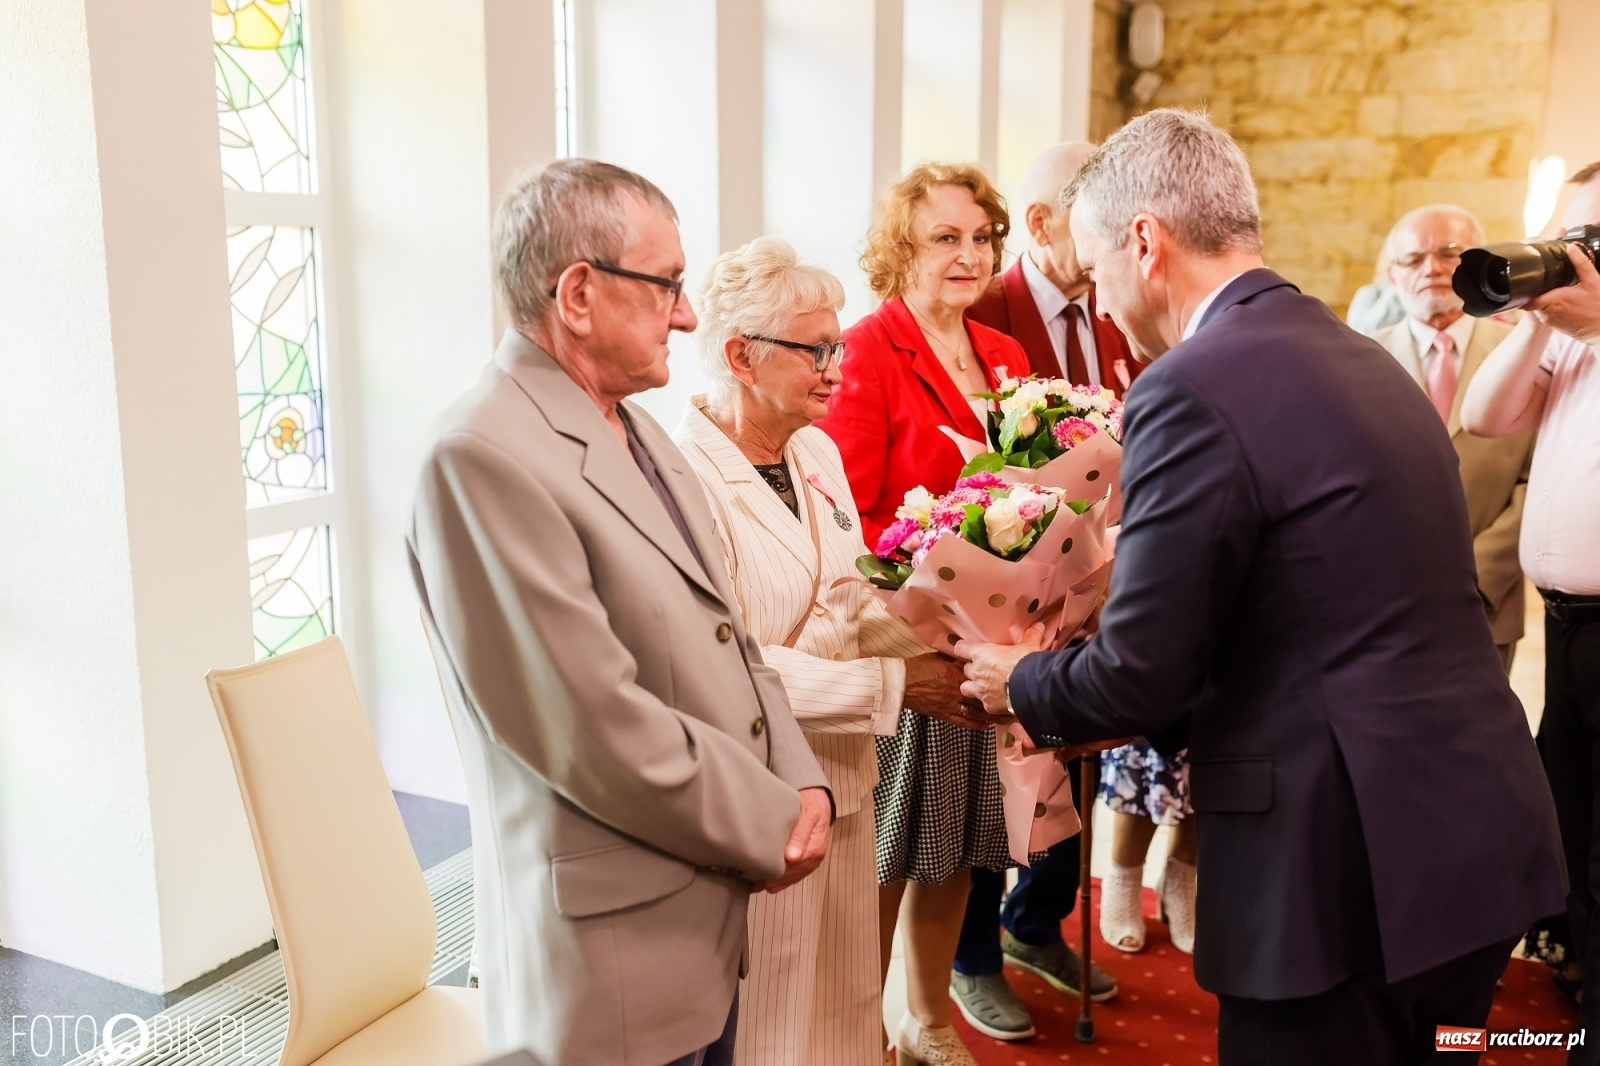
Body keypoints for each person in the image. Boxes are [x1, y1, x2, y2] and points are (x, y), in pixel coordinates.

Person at [954, 109, 1565, 1066]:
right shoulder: (1366, 360)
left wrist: (1015, 680)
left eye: (1099, 268)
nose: (1102, 304)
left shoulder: (1191, 385)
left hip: (1338, 868)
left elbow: (1138, 677)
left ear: (1146, 243)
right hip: (1470, 840)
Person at [408, 159, 831, 1066]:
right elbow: (591, 727)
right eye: (669, 285)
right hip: (612, 942)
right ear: (579, 294)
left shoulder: (631, 424)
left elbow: (731, 635)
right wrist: (771, 822)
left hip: (696, 905)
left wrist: (801, 777)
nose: (685, 313)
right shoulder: (481, 455)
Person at [673, 237, 973, 1066]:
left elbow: (843, 604)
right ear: (739, 355)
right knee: (771, 1024)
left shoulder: (816, 450)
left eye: (838, 346)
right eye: (816, 350)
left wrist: (955, 637)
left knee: (844, 1011)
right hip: (762, 795)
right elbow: (729, 666)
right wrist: (895, 687)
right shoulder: (683, 478)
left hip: (845, 778)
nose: (838, 368)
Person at [814, 162, 1031, 1066]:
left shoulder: (1007, 355)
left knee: (961, 841)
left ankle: (929, 1015)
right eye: (946, 237)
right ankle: (860, 1022)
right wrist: (933, 576)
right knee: (890, 849)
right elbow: (848, 511)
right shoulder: (867, 349)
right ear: (900, 247)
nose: (969, 254)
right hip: (907, 642)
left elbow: (1037, 493)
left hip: (994, 642)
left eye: (982, 237)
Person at [947, 141, 1120, 1041]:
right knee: (994, 790)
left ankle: (1035, 922)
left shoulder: (1116, 305)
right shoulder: (987, 310)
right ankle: (973, 954)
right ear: (1047, 221)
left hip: (1092, 586)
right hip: (999, 589)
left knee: (1082, 765)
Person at [1462, 161, 1600, 1065]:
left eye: (1590, 240)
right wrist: (1536, 326)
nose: (1573, 254)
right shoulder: (1570, 336)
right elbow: (1483, 415)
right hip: (1569, 627)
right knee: (1573, 826)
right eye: (1570, 236)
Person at [1372, 204, 1535, 674]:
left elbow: (1538, 479)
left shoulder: (1526, 351)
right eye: (1413, 259)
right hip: (1385, 603)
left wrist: (1477, 577)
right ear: (1392, 274)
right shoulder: (1359, 359)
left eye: (1449, 253)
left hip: (1488, 604)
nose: (1432, 269)